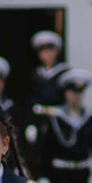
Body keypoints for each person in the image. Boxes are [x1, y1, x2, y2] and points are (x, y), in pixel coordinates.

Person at [22, 30, 67, 168]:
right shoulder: (36, 75)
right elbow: (31, 102)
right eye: (43, 51)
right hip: (40, 121)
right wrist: (30, 124)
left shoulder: (64, 73)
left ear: (57, 51)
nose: (46, 54)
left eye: (50, 50)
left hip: (59, 119)